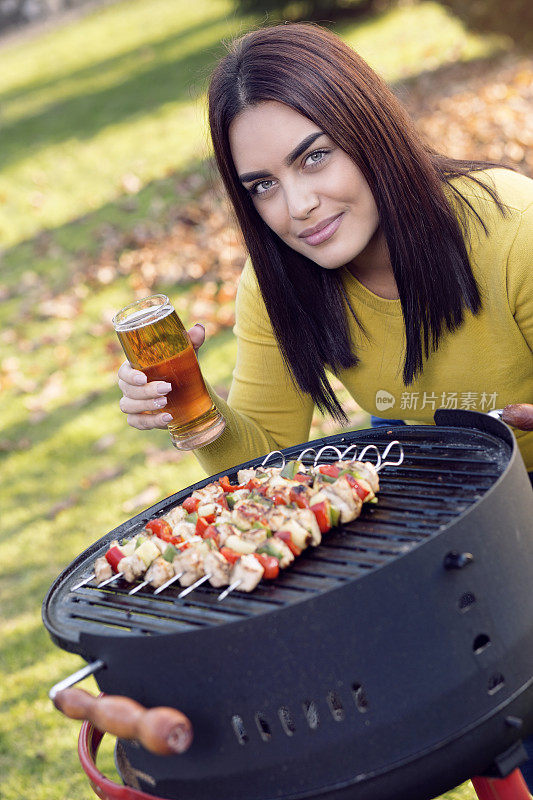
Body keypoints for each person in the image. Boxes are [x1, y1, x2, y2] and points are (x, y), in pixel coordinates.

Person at [116, 22, 533, 788]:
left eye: (313, 156)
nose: (298, 207)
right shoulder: (279, 284)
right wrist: (192, 408)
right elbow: (263, 456)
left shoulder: (507, 227)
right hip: (452, 552)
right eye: (262, 186)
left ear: (367, 131)